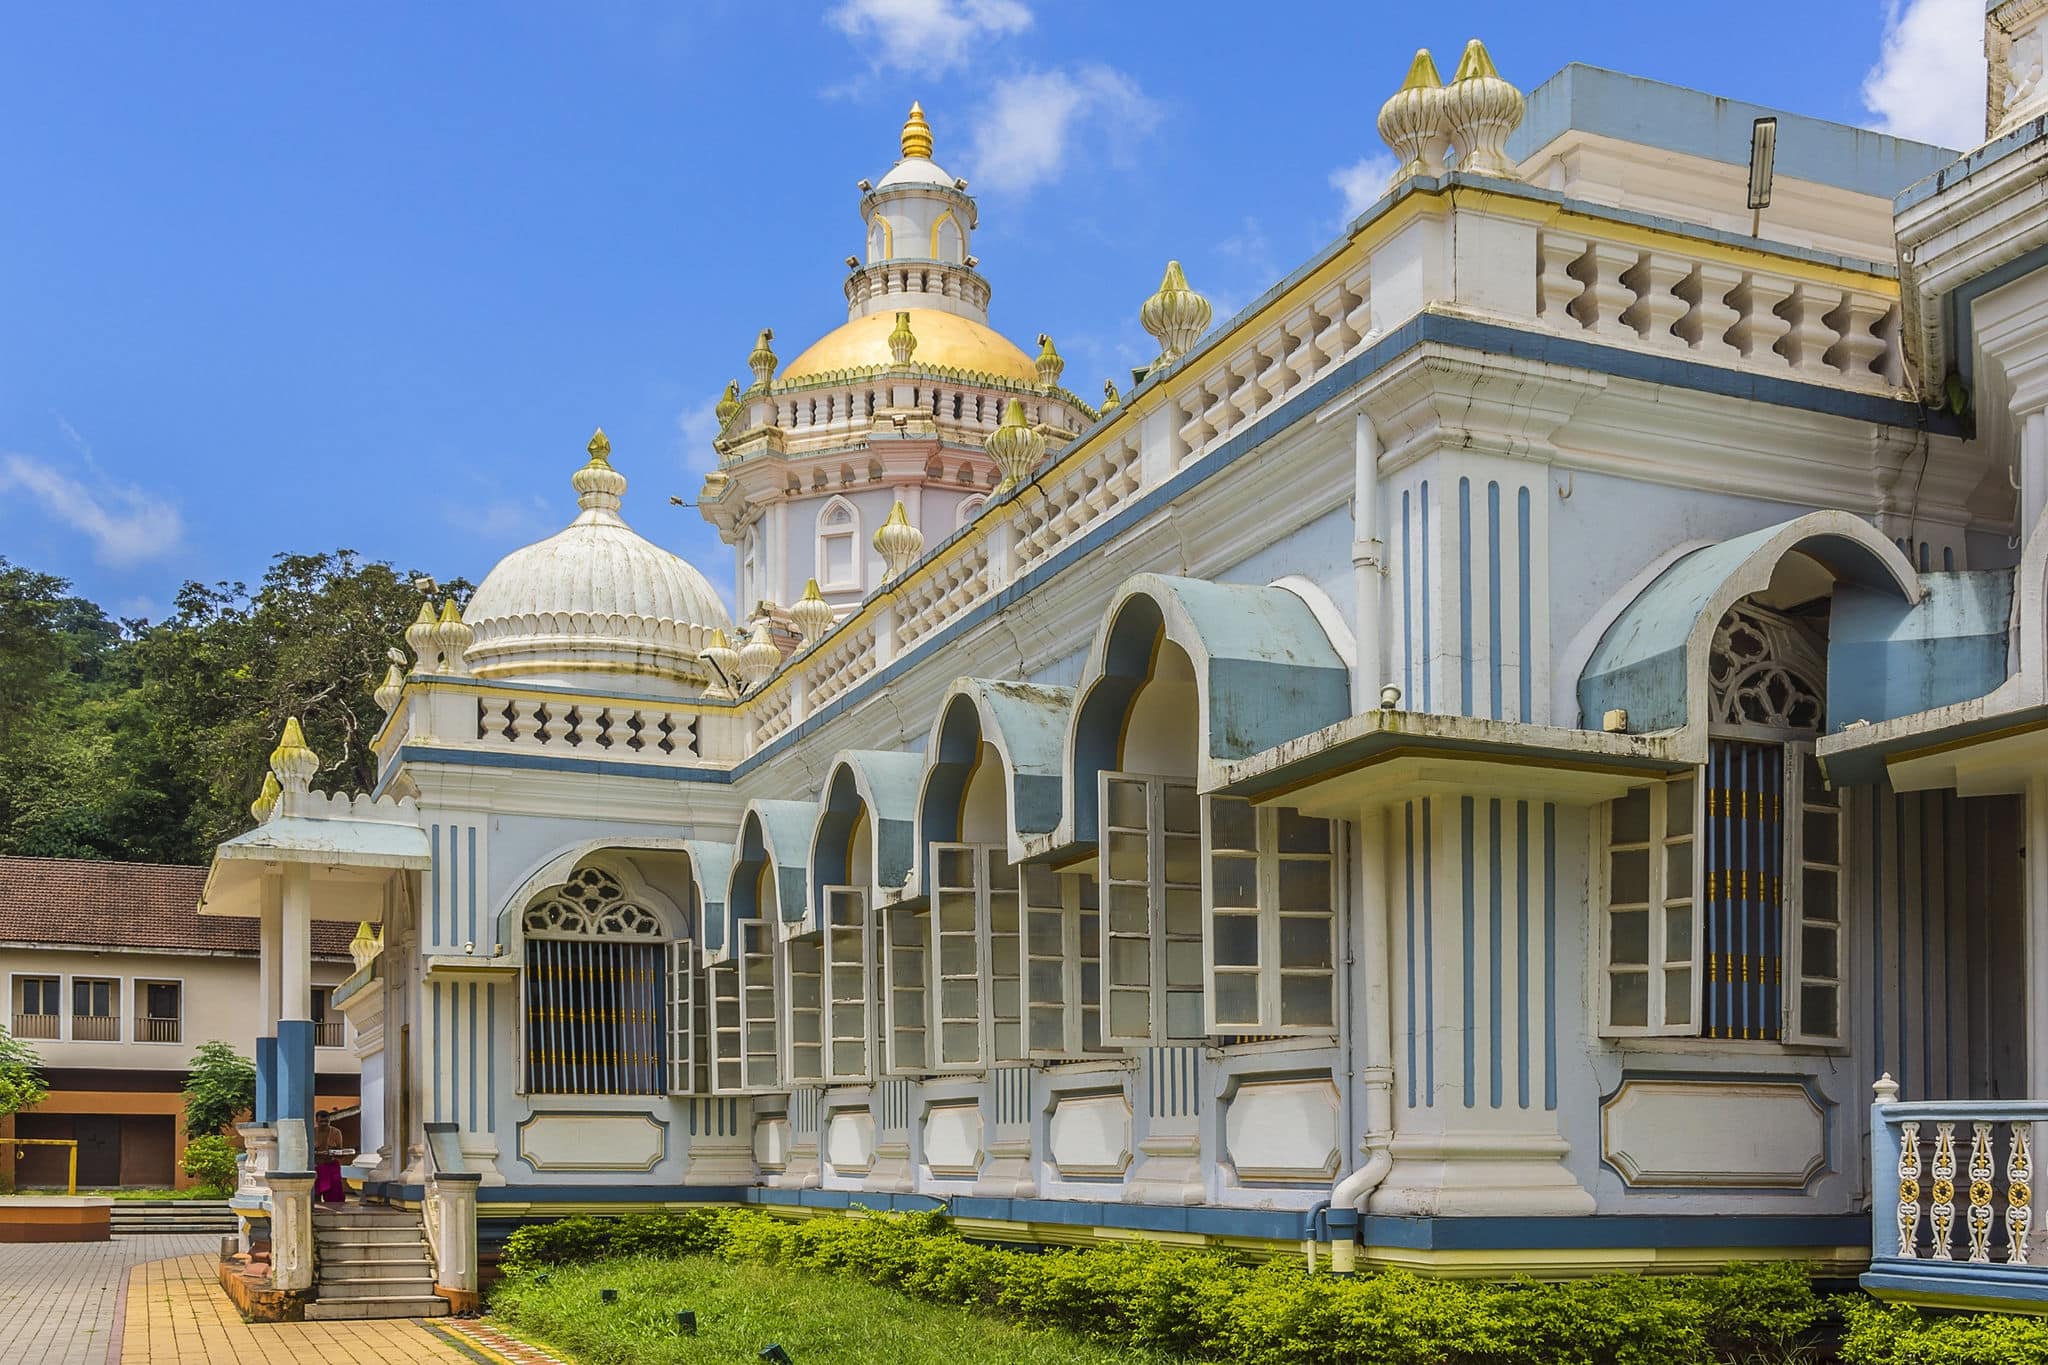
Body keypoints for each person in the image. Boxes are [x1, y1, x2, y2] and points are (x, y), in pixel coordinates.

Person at [312, 1110, 348, 1205]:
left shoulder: (336, 1132)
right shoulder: (312, 1132)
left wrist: (333, 1152)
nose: (324, 1124)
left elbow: (340, 1152)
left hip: (331, 1166)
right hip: (316, 1167)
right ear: (316, 1121)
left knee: (335, 1195)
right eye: (321, 1122)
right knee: (315, 1193)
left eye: (326, 1122)